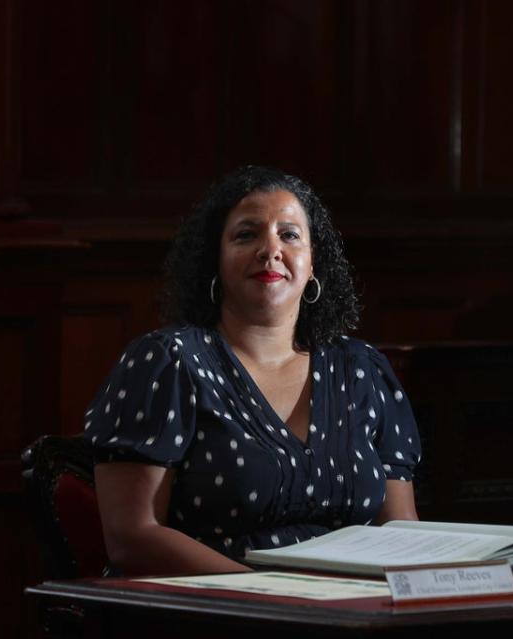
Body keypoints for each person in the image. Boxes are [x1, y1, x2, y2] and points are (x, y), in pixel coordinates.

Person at [85, 166, 421, 576]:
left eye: (290, 234)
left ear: (313, 262)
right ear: (215, 258)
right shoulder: (168, 362)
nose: (270, 249)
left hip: (351, 611)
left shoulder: (362, 369)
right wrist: (275, 597)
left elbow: (400, 530)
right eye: (246, 235)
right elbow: (132, 537)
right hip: (221, 612)